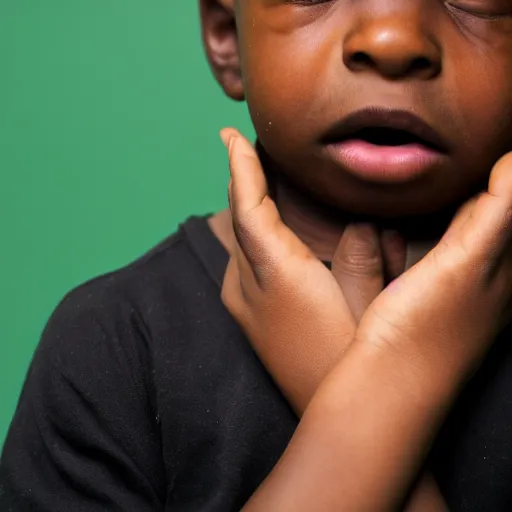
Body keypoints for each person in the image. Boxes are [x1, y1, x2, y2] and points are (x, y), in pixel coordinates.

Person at [2, 0, 512, 510]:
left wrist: (358, 376)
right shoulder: (110, 344)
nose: (391, 41)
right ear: (227, 34)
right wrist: (401, 372)